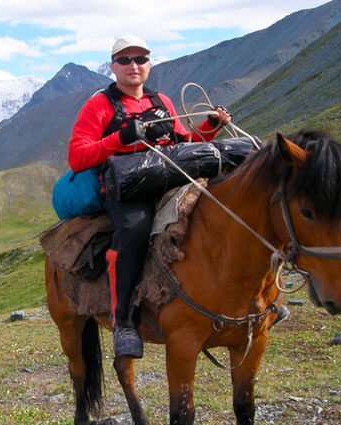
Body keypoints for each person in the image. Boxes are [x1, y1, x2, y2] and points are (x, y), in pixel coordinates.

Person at [67, 35, 232, 358]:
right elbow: (77, 157)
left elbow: (184, 143)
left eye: (140, 59)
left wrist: (211, 125)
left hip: (165, 175)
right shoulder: (99, 105)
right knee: (135, 228)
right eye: (125, 60)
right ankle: (124, 321)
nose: (134, 66)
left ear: (149, 64)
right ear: (113, 66)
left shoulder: (162, 101)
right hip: (123, 186)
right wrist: (121, 137)